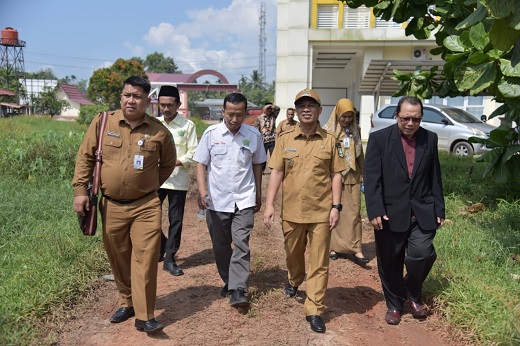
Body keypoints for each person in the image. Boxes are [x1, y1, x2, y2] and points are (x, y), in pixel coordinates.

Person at [72, 76, 177, 333]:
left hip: (146, 205)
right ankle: (127, 301)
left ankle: (145, 315)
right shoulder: (103, 122)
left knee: (146, 258)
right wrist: (79, 191)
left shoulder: (159, 131)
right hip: (110, 205)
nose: (131, 100)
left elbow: (167, 165)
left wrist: (145, 184)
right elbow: (85, 157)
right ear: (121, 97)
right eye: (127, 95)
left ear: (147, 101)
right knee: (119, 257)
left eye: (137, 96)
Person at [263, 89, 346, 333]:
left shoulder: (330, 141)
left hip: (321, 212)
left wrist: (336, 206)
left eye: (311, 105)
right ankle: (294, 279)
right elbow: (277, 172)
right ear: (296, 111)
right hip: (292, 211)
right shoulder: (285, 139)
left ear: (320, 110)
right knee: (293, 253)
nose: (306, 109)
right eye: (302, 106)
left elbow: (336, 174)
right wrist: (269, 204)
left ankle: (314, 309)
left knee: (319, 262)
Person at [363, 96, 445, 326]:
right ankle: (394, 304)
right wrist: (375, 210)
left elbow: (434, 176)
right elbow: (371, 179)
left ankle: (412, 290)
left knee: (423, 253)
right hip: (390, 211)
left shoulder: (430, 138)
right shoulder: (380, 139)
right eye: (406, 118)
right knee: (390, 260)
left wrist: (439, 207)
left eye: (416, 119)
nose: (410, 123)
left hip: (422, 210)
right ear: (397, 116)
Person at [193, 92, 266, 308]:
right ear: (223, 112)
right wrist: (202, 189)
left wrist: (258, 193)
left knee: (242, 242)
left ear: (246, 113)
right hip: (217, 200)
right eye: (231, 114)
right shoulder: (211, 133)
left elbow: (257, 165)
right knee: (220, 245)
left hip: (244, 198)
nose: (235, 120)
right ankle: (228, 279)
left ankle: (238, 289)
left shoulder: (253, 135)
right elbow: (200, 163)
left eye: (240, 115)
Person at [156, 85, 198, 276]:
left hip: (176, 181)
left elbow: (194, 152)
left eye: (170, 105)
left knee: (176, 221)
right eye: (162, 105)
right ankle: (161, 246)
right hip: (154, 181)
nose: (166, 109)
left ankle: (170, 258)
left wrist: (177, 161)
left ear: (178, 105)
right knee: (148, 219)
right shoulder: (153, 125)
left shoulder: (187, 126)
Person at [323, 99, 368, 265]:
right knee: (334, 211)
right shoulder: (327, 132)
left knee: (354, 212)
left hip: (352, 177)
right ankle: (332, 247)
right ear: (337, 114)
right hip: (332, 177)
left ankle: (356, 248)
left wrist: (364, 174)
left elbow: (360, 154)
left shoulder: (356, 131)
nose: (347, 119)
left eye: (350, 116)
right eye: (344, 116)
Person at [256, 102, 280, 172]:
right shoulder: (259, 118)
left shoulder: (273, 116)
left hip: (272, 139)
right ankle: (262, 170)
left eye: (270, 109)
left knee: (273, 156)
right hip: (263, 140)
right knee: (263, 157)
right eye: (268, 109)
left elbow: (278, 108)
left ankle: (274, 170)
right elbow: (257, 129)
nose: (269, 111)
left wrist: (270, 106)